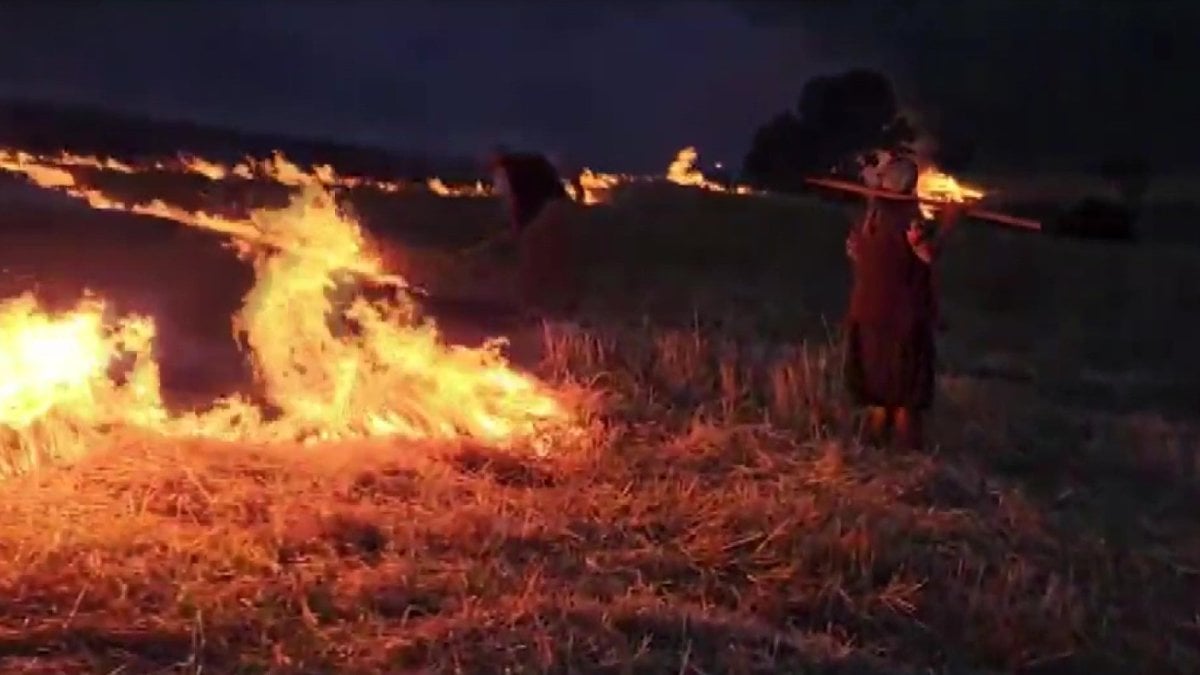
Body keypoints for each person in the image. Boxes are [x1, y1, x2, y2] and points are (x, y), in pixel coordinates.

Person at [843, 155, 961, 450]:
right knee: (907, 398)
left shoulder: (870, 219)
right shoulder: (909, 220)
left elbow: (860, 255)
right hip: (901, 321)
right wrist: (949, 222)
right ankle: (906, 466)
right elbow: (927, 254)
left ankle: (874, 462)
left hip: (867, 315)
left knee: (879, 396)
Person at [487, 147, 579, 317]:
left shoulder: (506, 171)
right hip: (561, 208)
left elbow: (513, 202)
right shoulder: (530, 163)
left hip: (547, 211)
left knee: (532, 259)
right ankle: (564, 305)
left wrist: (516, 229)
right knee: (555, 259)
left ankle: (532, 309)